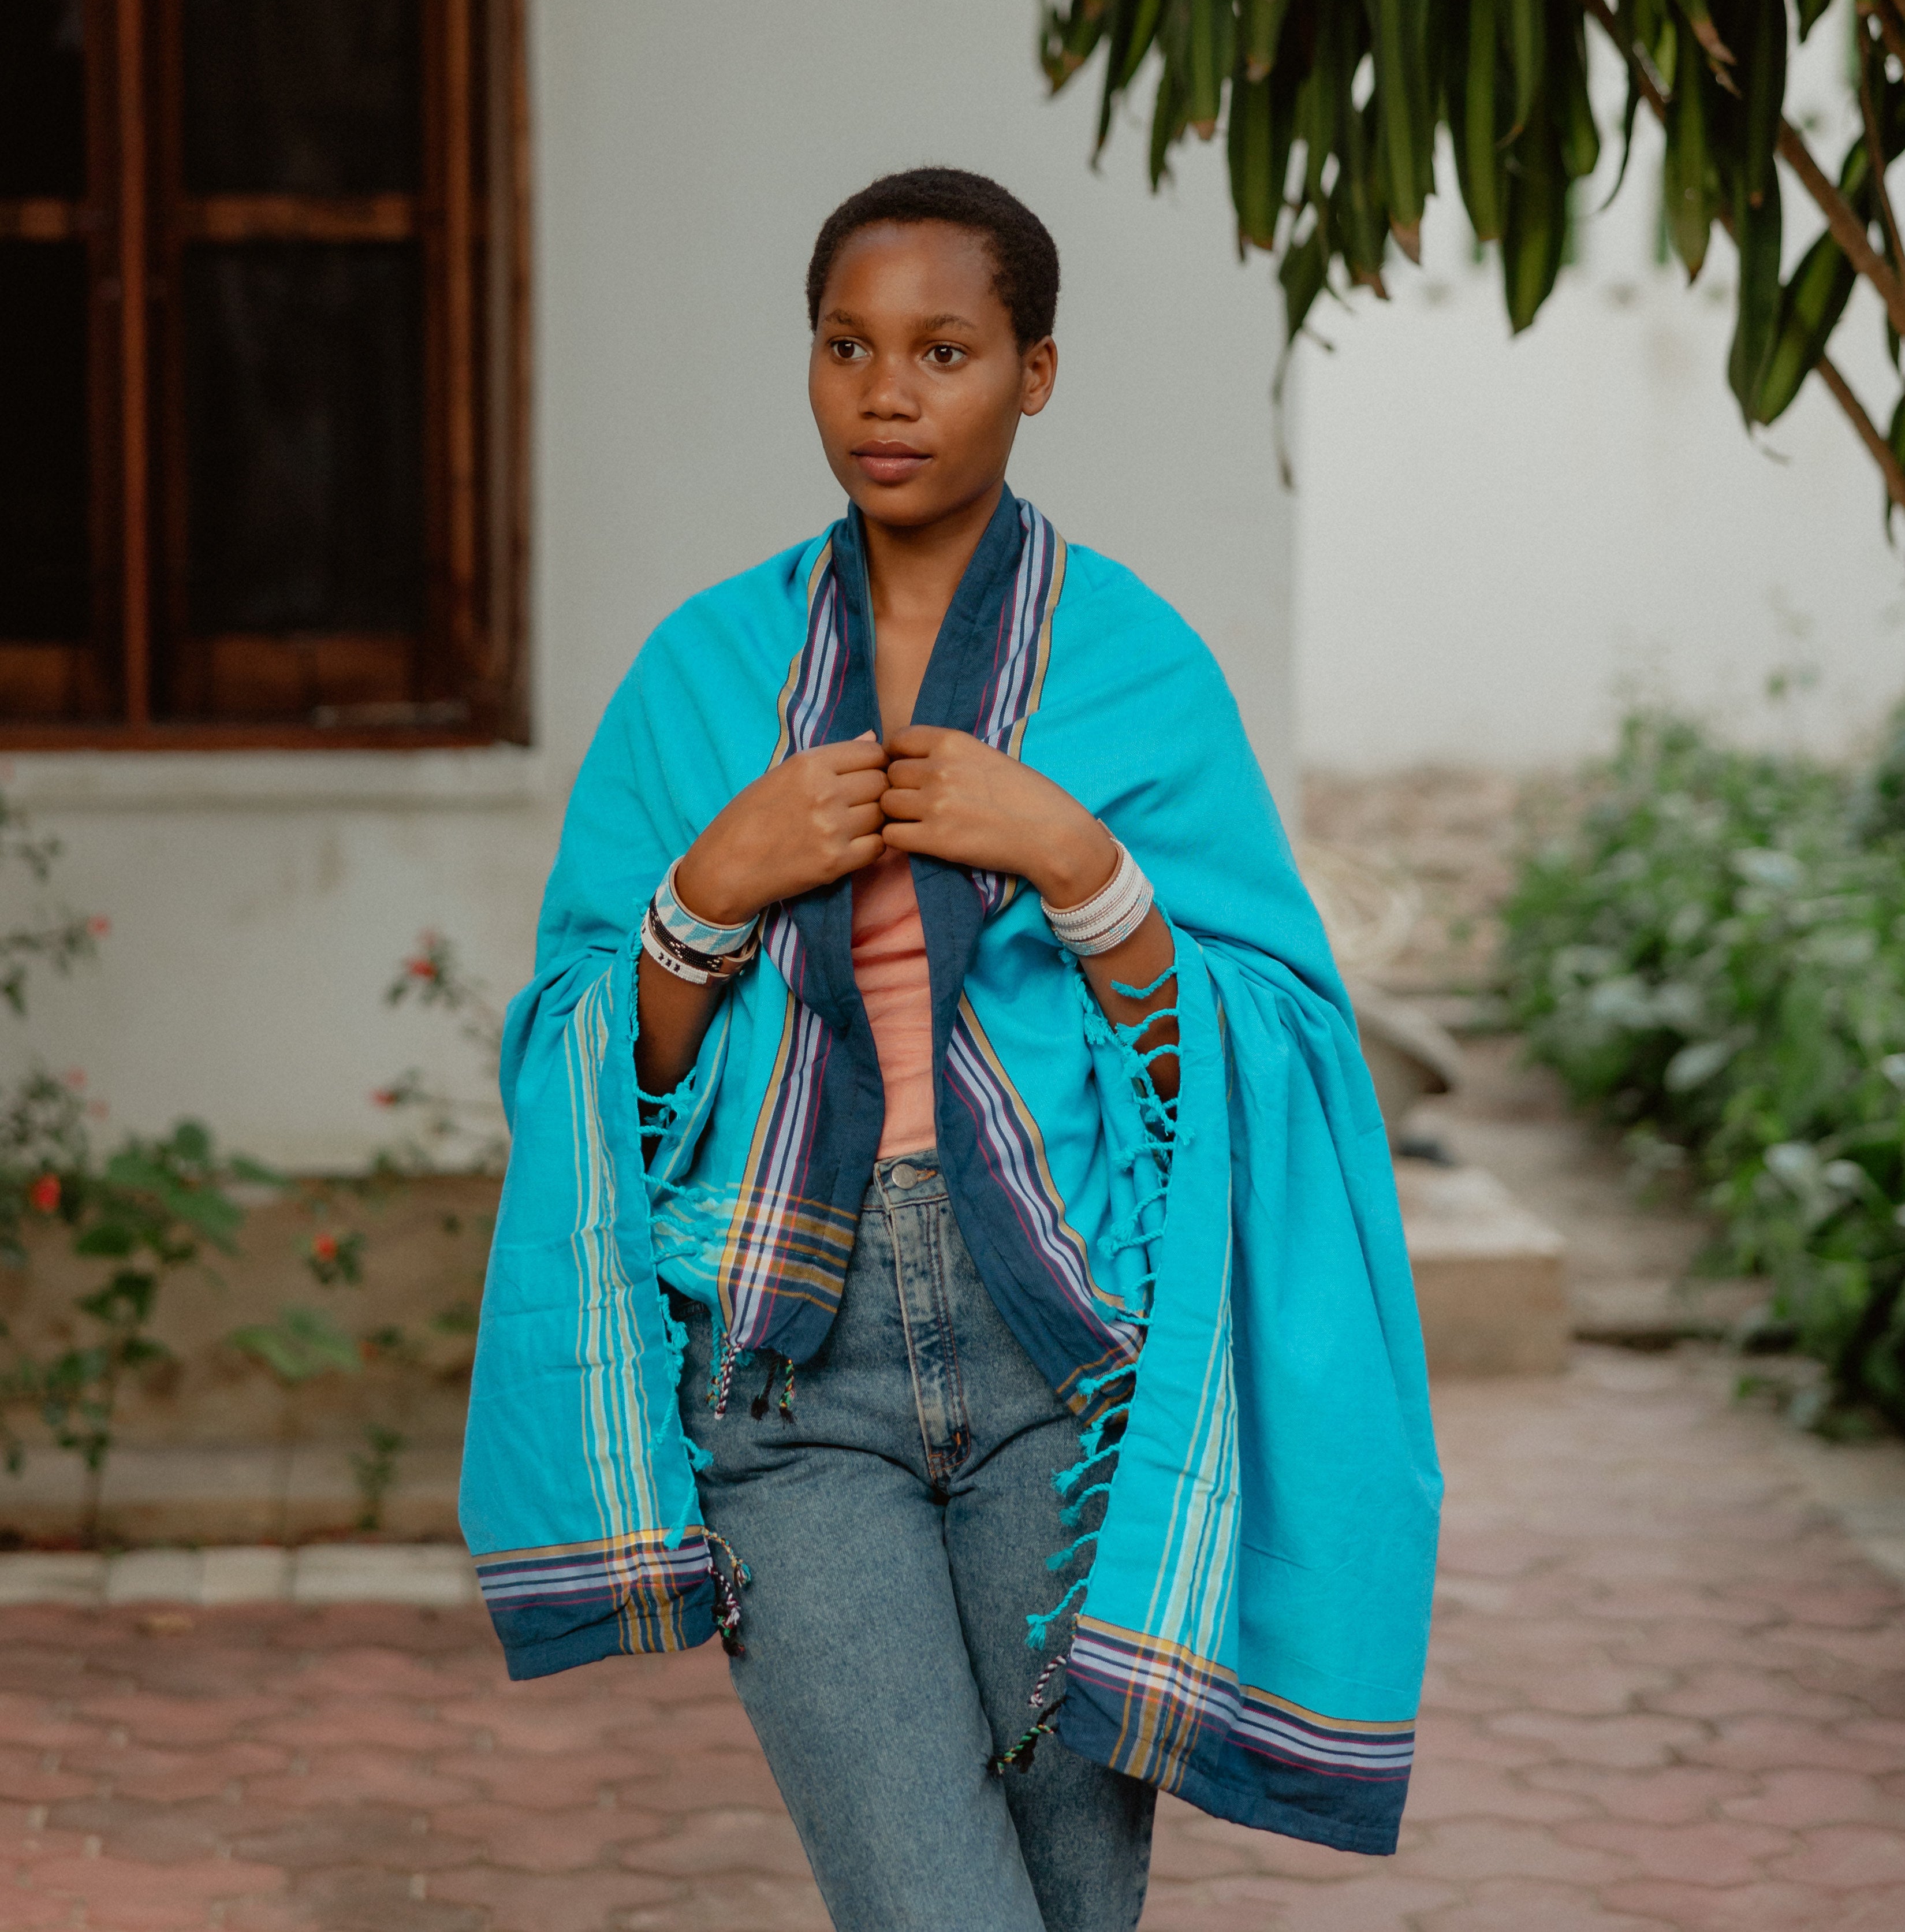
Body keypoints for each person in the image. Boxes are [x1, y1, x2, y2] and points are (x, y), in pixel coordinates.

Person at [461, 167, 1440, 1932]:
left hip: (1059, 1373)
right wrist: (706, 890)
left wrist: (1078, 864)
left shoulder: (1135, 666)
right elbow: (594, 1064)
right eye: (845, 346)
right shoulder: (705, 670)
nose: (885, 392)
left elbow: (1256, 1052)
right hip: (787, 1375)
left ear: (1034, 373)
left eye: (942, 348)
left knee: (1072, 1910)